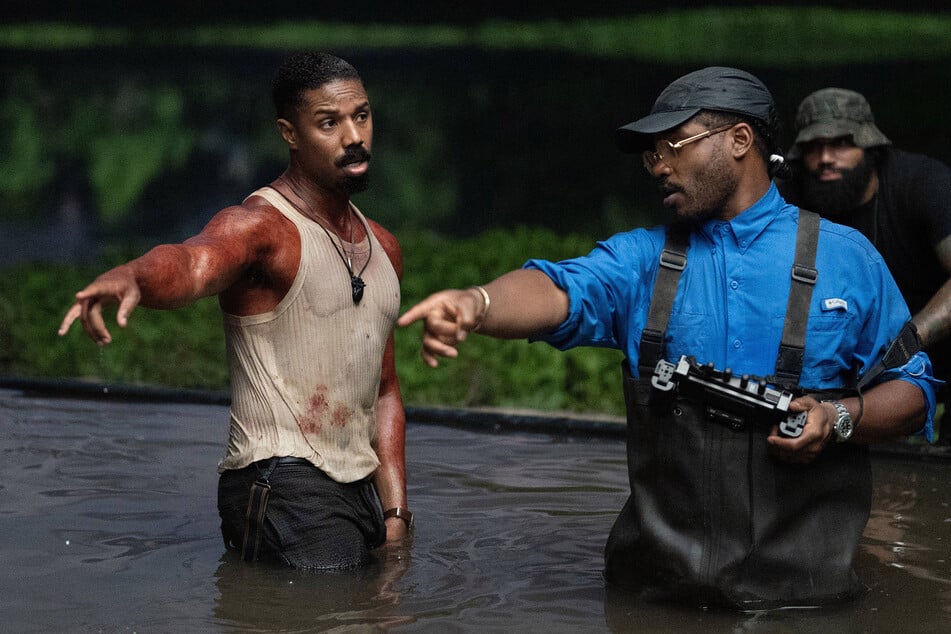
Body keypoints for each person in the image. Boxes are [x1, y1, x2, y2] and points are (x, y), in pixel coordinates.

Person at [398, 67, 939, 609]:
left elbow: (913, 393)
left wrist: (838, 418)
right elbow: (558, 289)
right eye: (650, 154)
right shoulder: (641, 261)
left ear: (739, 140)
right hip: (652, 601)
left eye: (673, 146)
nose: (658, 166)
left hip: (807, 603)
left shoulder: (847, 260)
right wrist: (478, 302)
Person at [58, 51, 412, 569]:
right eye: (329, 123)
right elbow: (193, 263)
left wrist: (397, 512)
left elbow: (384, 392)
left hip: (360, 491)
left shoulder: (384, 246)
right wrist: (133, 276)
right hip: (281, 481)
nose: (353, 137)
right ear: (290, 134)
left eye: (361, 115)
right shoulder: (261, 226)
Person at [780, 87, 951, 444]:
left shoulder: (920, 183)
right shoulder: (791, 198)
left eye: (841, 143)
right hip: (850, 365)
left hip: (935, 342)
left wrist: (913, 335)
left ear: (870, 146)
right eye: (813, 147)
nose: (825, 157)